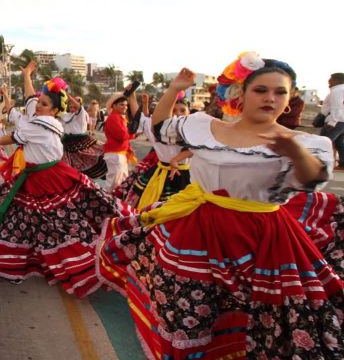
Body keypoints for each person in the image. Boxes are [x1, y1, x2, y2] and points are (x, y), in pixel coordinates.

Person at [99, 54, 344, 359]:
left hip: (262, 237)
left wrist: (293, 150)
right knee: (191, 308)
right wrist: (175, 88)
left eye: (280, 92)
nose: (271, 98)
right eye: (261, 90)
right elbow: (161, 128)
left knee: (263, 315)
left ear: (290, 97)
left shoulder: (306, 142)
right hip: (199, 229)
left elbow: (313, 178)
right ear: (242, 93)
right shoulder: (203, 126)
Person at [0, 59, 130, 294]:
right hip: (43, 174)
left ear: (54, 110)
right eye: (39, 103)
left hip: (45, 178)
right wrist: (27, 76)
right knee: (39, 218)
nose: (38, 106)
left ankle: (58, 259)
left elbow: (14, 137)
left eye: (44, 104)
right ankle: (36, 257)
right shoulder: (50, 121)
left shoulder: (40, 124)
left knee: (42, 220)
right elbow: (30, 99)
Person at [120, 99, 192, 210]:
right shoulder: (156, 127)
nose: (178, 113)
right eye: (174, 110)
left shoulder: (192, 129)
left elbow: (192, 149)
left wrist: (176, 160)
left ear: (189, 113)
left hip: (183, 174)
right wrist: (132, 97)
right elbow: (140, 118)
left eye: (182, 110)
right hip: (160, 172)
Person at [61, 91, 107, 179]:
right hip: (67, 142)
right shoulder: (66, 115)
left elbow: (78, 107)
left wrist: (70, 98)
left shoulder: (81, 113)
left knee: (90, 157)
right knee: (69, 164)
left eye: (74, 106)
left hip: (80, 141)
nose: (72, 108)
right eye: (70, 106)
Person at [103, 93, 137, 191]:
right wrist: (133, 133)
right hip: (115, 154)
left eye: (126, 105)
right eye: (122, 104)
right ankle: (105, 202)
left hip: (118, 154)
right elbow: (122, 136)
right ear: (114, 105)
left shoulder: (118, 117)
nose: (125, 107)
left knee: (121, 181)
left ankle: (114, 202)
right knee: (114, 183)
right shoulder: (114, 118)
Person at [321, 73, 344, 170]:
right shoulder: (340, 90)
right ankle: (342, 164)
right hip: (341, 120)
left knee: (324, 141)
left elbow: (336, 107)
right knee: (339, 143)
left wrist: (333, 122)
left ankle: (322, 164)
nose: (329, 81)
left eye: (331, 79)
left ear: (337, 80)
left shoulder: (337, 90)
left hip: (336, 120)